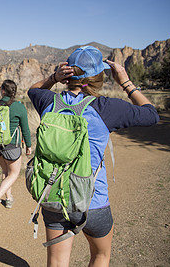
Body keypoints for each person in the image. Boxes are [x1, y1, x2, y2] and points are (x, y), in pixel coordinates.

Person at [27, 46, 159, 267]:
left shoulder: (48, 102)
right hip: (93, 202)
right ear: (99, 76)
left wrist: (53, 78)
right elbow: (151, 114)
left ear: (67, 74)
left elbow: (33, 89)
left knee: (57, 263)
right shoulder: (107, 108)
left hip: (54, 197)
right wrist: (125, 81)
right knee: (100, 256)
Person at [0, 79, 32, 215]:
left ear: (3, 91)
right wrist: (28, 146)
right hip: (12, 146)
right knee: (14, 174)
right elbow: (25, 129)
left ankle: (9, 199)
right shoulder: (19, 107)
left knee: (5, 171)